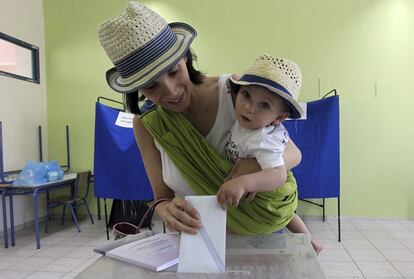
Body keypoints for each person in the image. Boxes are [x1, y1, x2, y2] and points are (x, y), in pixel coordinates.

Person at [98, 1, 316, 252]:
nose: (171, 92)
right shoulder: (148, 125)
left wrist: (252, 168)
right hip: (198, 246)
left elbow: (293, 154)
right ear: (137, 90)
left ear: (186, 58)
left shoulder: (239, 95)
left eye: (173, 72)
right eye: (151, 86)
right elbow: (162, 195)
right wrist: (164, 209)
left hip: (261, 240)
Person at [218, 54, 322, 254]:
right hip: (263, 176)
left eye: (264, 105)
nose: (248, 107)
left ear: (279, 117)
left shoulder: (263, 139)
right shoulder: (249, 121)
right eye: (246, 94)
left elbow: (278, 175)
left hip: (268, 188)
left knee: (281, 211)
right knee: (288, 214)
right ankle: (310, 240)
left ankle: (308, 242)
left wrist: (243, 183)